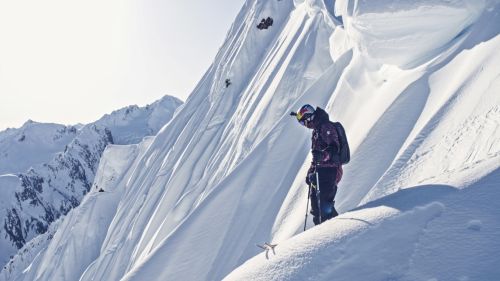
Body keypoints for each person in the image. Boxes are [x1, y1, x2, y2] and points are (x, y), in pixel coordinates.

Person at [295, 104, 343, 225]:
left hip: (330, 172)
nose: (305, 125)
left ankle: (337, 232)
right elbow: (316, 156)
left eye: (303, 122)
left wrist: (323, 156)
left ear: (309, 117)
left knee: (324, 207)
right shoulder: (317, 130)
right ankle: (321, 237)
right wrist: (310, 171)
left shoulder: (326, 127)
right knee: (316, 208)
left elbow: (334, 150)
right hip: (320, 172)